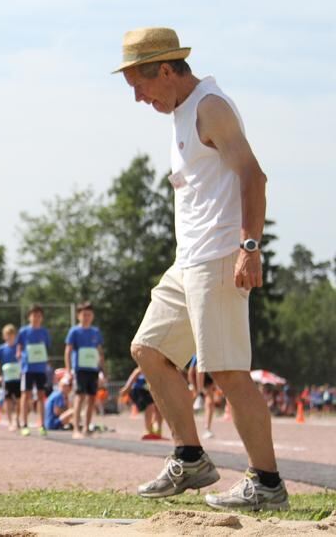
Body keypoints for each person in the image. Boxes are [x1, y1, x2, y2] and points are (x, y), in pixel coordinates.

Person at [115, 28, 287, 510]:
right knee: (149, 350)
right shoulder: (180, 112)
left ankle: (267, 484)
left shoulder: (211, 106)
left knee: (228, 372)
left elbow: (253, 175)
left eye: (139, 84)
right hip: (187, 259)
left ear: (166, 70)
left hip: (219, 255)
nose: (137, 97)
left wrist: (249, 247)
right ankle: (190, 458)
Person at [64, 301, 105, 439]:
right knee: (79, 397)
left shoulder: (96, 332)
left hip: (93, 369)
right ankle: (76, 429)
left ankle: (87, 428)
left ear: (92, 316)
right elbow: (68, 351)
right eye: (84, 314)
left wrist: (102, 370)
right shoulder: (74, 331)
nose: (86, 317)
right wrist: (68, 369)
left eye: (89, 314)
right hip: (79, 369)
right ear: (78, 316)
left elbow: (99, 352)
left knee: (92, 398)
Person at [17, 305, 51, 436]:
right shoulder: (23, 331)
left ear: (41, 318)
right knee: (26, 395)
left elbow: (46, 347)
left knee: (41, 396)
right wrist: (19, 354)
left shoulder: (44, 332)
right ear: (29, 317)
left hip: (40, 369)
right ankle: (24, 424)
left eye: (38, 315)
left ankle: (42, 424)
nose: (36, 318)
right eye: (33, 315)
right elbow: (19, 347)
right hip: (27, 368)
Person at [0, 324, 21, 432]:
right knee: (8, 399)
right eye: (7, 335)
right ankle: (9, 422)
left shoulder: (19, 347)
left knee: (19, 400)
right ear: (4, 336)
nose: (9, 336)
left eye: (11, 334)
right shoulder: (1, 348)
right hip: (7, 378)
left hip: (18, 378)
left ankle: (17, 419)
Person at [121, 366, 164, 440]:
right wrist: (127, 388)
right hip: (140, 389)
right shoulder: (146, 364)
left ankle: (158, 429)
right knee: (150, 406)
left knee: (160, 408)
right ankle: (148, 429)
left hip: (152, 390)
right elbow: (136, 373)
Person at [188, 357, 217, 440]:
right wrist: (195, 388)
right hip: (197, 381)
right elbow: (190, 373)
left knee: (210, 402)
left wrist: (214, 385)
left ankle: (207, 428)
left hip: (209, 378)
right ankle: (187, 426)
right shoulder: (198, 354)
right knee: (199, 367)